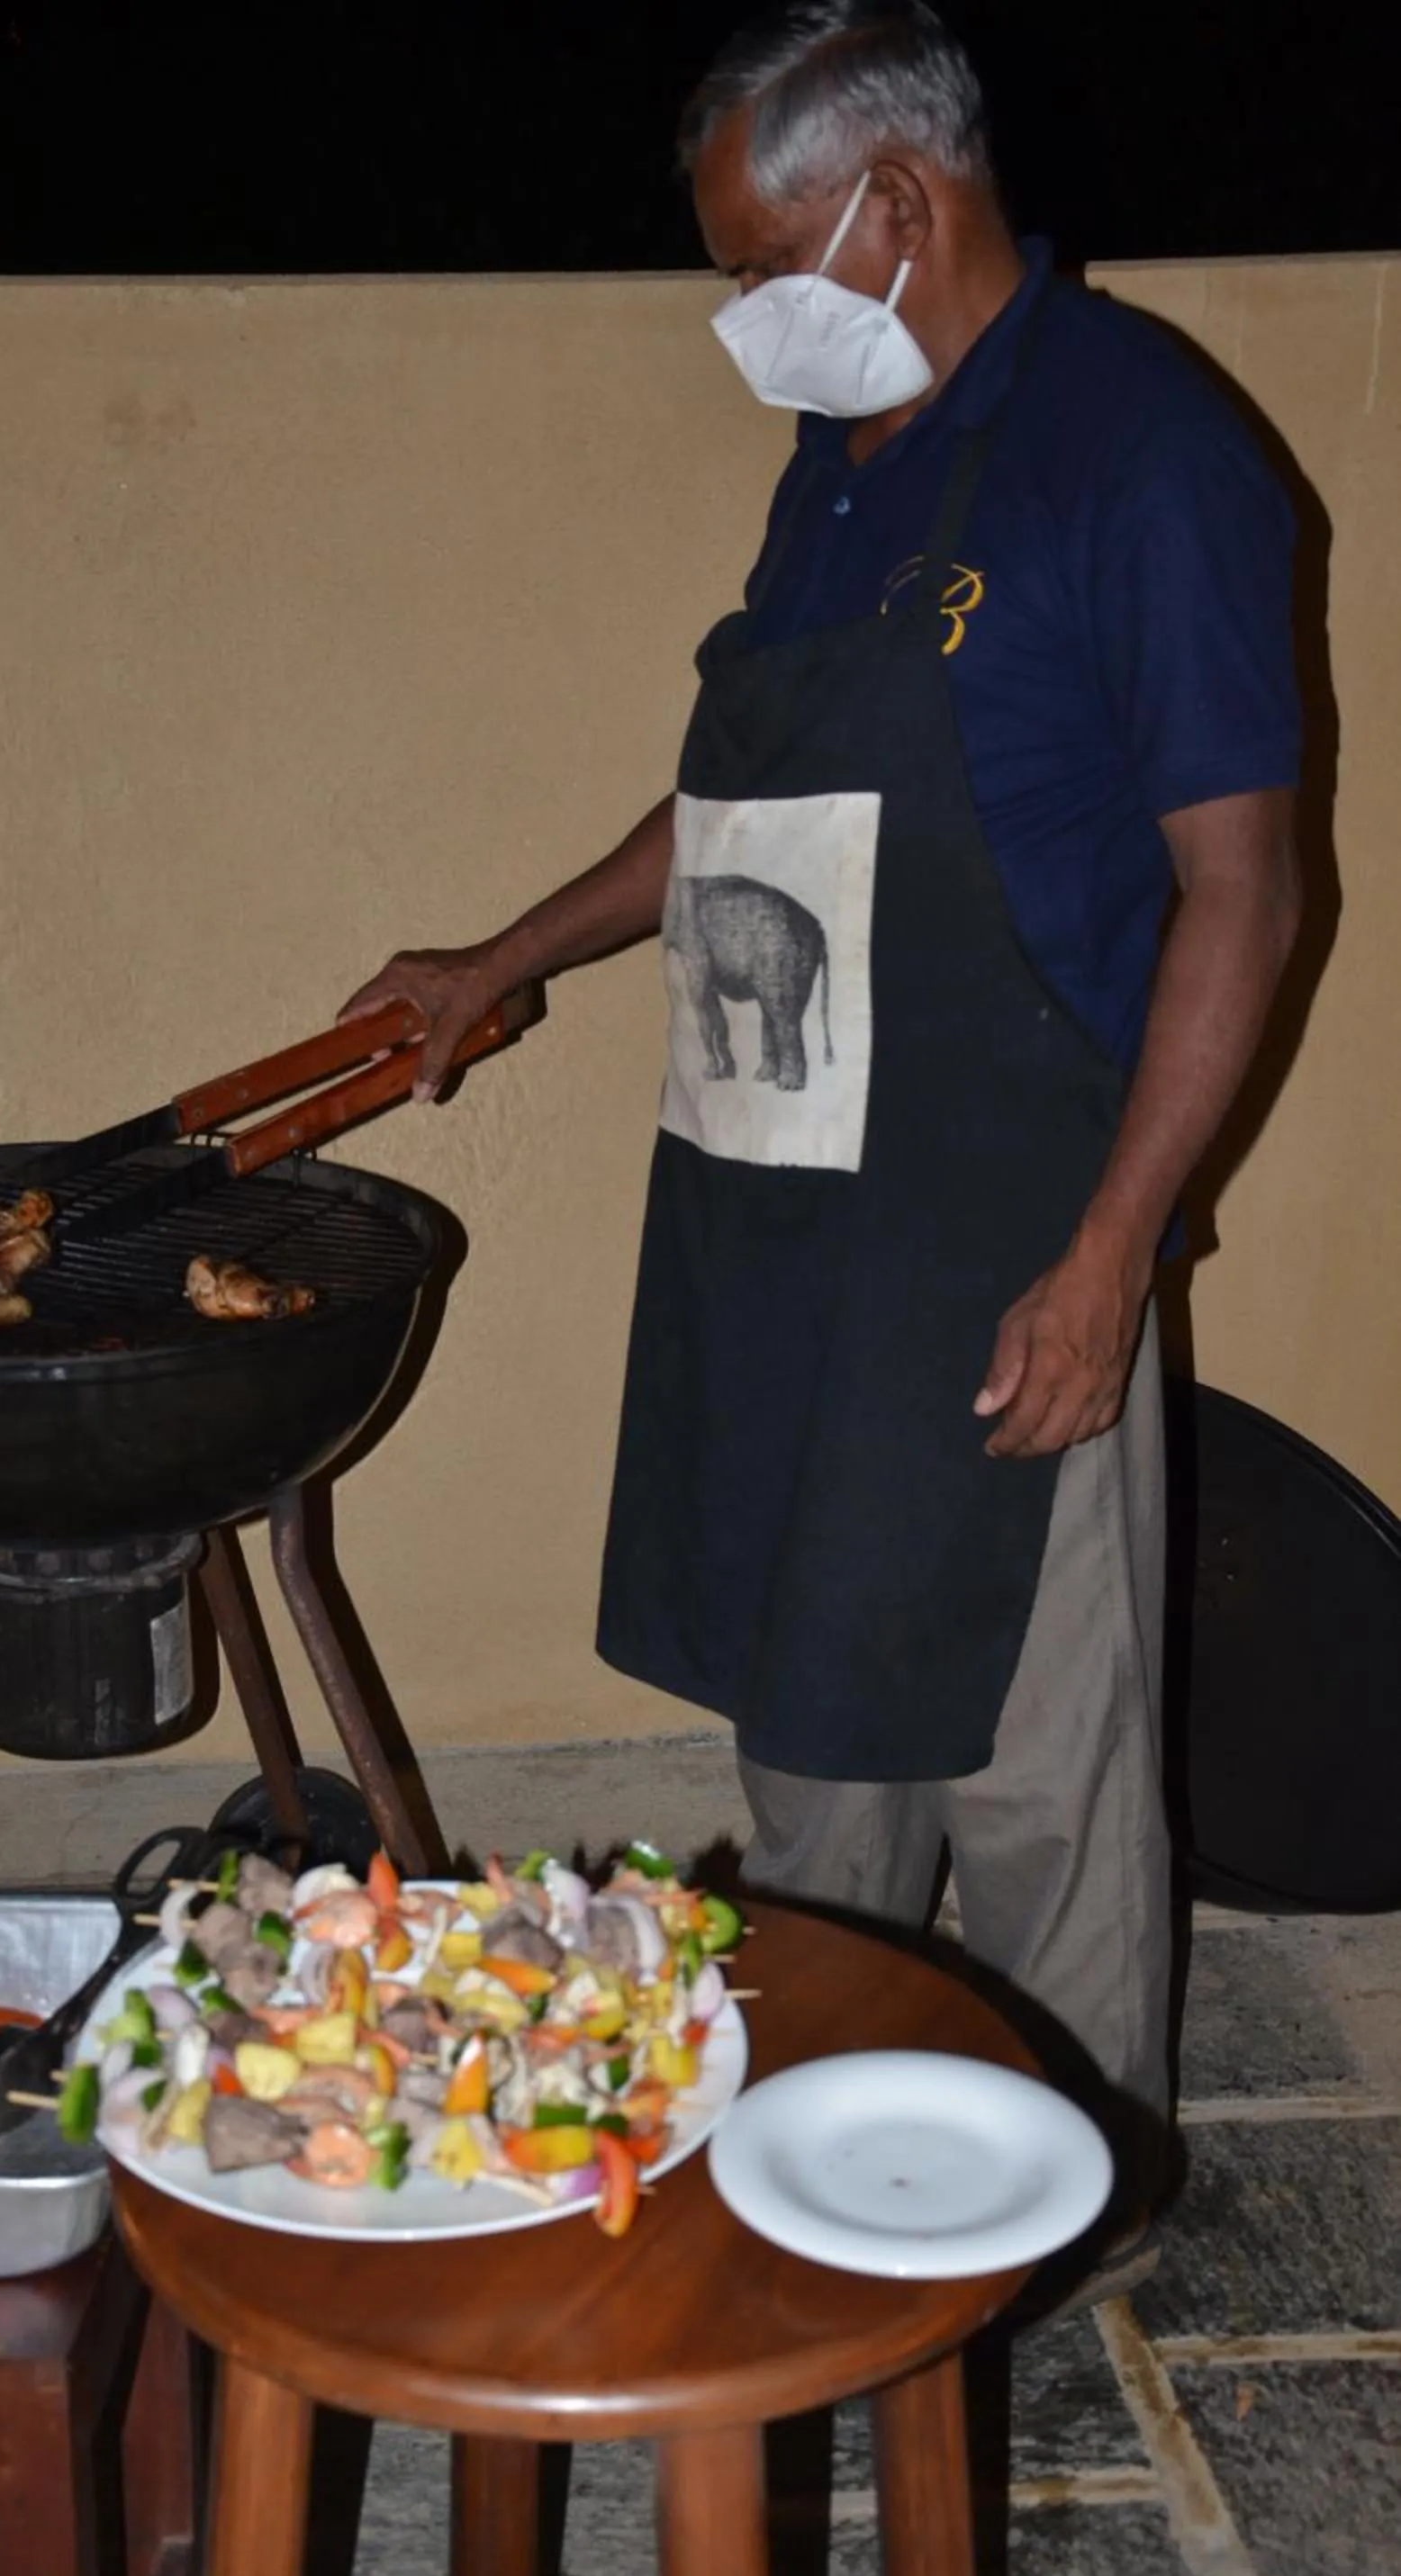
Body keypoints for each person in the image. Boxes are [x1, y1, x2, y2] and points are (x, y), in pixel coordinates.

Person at [340, 0, 1303, 2290]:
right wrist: (508, 958)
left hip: (1007, 1216)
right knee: (817, 1732)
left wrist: (1110, 1259)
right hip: (787, 1217)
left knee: (1031, 1770)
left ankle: (1062, 2225)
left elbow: (1247, 886)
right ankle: (813, 2160)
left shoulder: (1136, 449)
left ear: (897, 203)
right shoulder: (853, 453)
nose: (735, 310)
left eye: (758, 253)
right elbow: (751, 807)